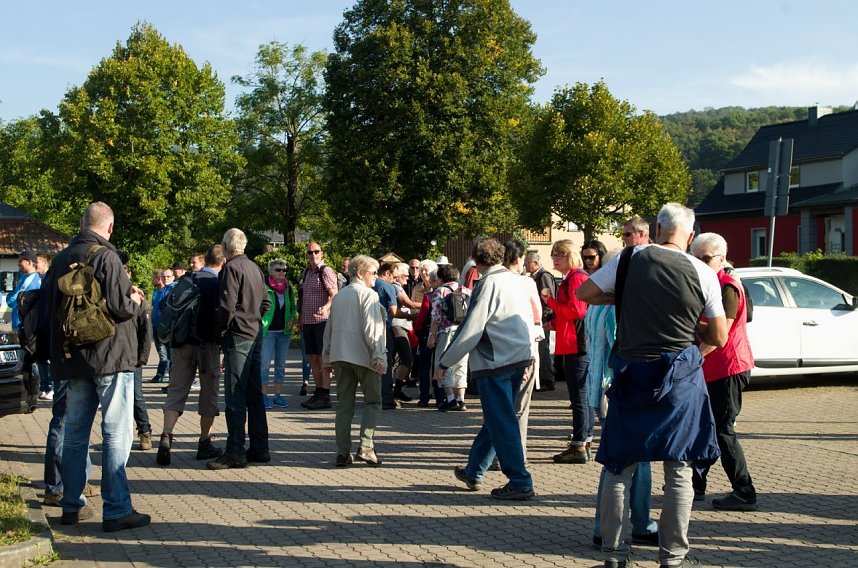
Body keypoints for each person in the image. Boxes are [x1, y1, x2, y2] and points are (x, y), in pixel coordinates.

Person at [577, 202, 728, 568]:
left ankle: (613, 553)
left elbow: (586, 295)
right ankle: (672, 555)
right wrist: (691, 323)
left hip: (632, 373)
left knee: (618, 466)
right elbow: (720, 336)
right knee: (678, 469)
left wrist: (625, 298)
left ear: (657, 229)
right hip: (680, 378)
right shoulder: (701, 271)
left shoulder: (629, 259)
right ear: (689, 236)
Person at [40, 201, 150, 532]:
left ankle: (71, 505)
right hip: (110, 356)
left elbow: (46, 309)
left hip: (73, 359)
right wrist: (136, 301)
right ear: (110, 228)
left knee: (75, 433)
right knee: (115, 431)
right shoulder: (107, 257)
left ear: (82, 223)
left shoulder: (59, 259)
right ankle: (117, 509)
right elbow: (119, 307)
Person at [439, 237, 536, 501]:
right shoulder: (517, 280)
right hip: (518, 356)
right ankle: (474, 470)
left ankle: (520, 480)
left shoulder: (487, 284)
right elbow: (527, 318)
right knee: (498, 418)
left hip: (495, 361)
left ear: (476, 260)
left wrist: (444, 361)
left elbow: (472, 328)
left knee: (501, 420)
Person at [690, 233, 758, 512]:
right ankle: (696, 483)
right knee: (706, 427)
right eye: (697, 258)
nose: (701, 263)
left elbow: (722, 335)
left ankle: (744, 490)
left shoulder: (728, 287)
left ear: (721, 258)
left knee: (722, 431)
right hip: (713, 369)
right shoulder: (710, 283)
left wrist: (693, 357)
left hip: (728, 367)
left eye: (706, 258)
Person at [158, 244, 227, 467]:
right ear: (223, 262)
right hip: (207, 346)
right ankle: (204, 442)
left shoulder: (187, 280)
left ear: (205, 260)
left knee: (176, 389)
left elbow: (164, 306)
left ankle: (166, 435)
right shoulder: (217, 283)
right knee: (209, 394)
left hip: (181, 344)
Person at [210, 229, 271, 470]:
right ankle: (260, 447)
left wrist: (220, 332)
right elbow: (266, 302)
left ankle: (235, 451)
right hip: (255, 334)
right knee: (255, 395)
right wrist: (253, 319)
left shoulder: (231, 269)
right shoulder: (254, 268)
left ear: (226, 246)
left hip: (238, 336)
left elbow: (226, 307)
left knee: (235, 396)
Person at [322, 255, 388, 467]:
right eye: (373, 272)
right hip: (364, 356)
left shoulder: (340, 296)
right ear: (360, 273)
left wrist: (327, 355)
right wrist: (379, 355)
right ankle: (366, 447)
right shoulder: (369, 295)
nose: (376, 277)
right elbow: (373, 328)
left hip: (340, 355)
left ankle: (342, 452)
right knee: (373, 402)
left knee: (344, 406)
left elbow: (329, 328)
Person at [542, 240, 592, 465]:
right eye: (554, 254)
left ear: (570, 255)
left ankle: (579, 444)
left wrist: (550, 302)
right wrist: (553, 322)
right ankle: (584, 441)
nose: (555, 258)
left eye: (560, 254)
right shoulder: (573, 278)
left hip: (576, 345)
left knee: (579, 397)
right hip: (571, 343)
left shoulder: (576, 278)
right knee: (581, 397)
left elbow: (577, 310)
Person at [117, 251, 153, 452]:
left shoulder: (137, 298)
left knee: (136, 396)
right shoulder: (110, 295)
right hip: (114, 357)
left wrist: (143, 356)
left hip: (133, 357)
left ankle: (145, 431)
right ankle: (120, 436)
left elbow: (146, 331)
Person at [298, 242, 339, 410]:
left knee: (324, 359)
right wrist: (300, 318)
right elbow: (303, 297)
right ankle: (318, 392)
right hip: (308, 321)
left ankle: (325, 394)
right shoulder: (307, 272)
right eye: (310, 252)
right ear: (306, 255)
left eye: (316, 252)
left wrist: (327, 307)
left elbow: (335, 294)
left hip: (323, 322)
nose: (313, 255)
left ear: (322, 253)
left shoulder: (326, 271)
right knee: (312, 358)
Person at [428, 264, 470, 411]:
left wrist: (432, 335)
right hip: (463, 332)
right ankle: (461, 399)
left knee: (444, 363)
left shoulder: (440, 291)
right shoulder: (465, 290)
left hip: (445, 331)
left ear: (440, 278)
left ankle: (450, 398)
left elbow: (436, 316)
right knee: (461, 364)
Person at [260, 258, 298, 409]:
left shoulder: (288, 287)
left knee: (280, 365)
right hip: (268, 331)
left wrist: (293, 317)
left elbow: (294, 307)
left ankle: (278, 395)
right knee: (264, 365)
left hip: (284, 332)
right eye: (278, 270)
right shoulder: (264, 287)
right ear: (271, 272)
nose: (282, 272)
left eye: (284, 270)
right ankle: (263, 395)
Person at [524, 252, 556, 393]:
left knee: (543, 350)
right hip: (541, 319)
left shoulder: (543, 276)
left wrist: (544, 318)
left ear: (535, 263)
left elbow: (547, 298)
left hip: (543, 320)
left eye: (527, 262)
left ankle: (547, 380)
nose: (525, 265)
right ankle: (544, 379)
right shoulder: (538, 276)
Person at [150, 268, 175, 383]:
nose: (165, 279)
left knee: (165, 352)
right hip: (157, 326)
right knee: (161, 352)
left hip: (167, 327)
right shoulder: (159, 291)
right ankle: (162, 373)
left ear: (173, 277)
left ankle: (165, 374)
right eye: (163, 276)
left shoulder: (173, 290)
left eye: (168, 276)